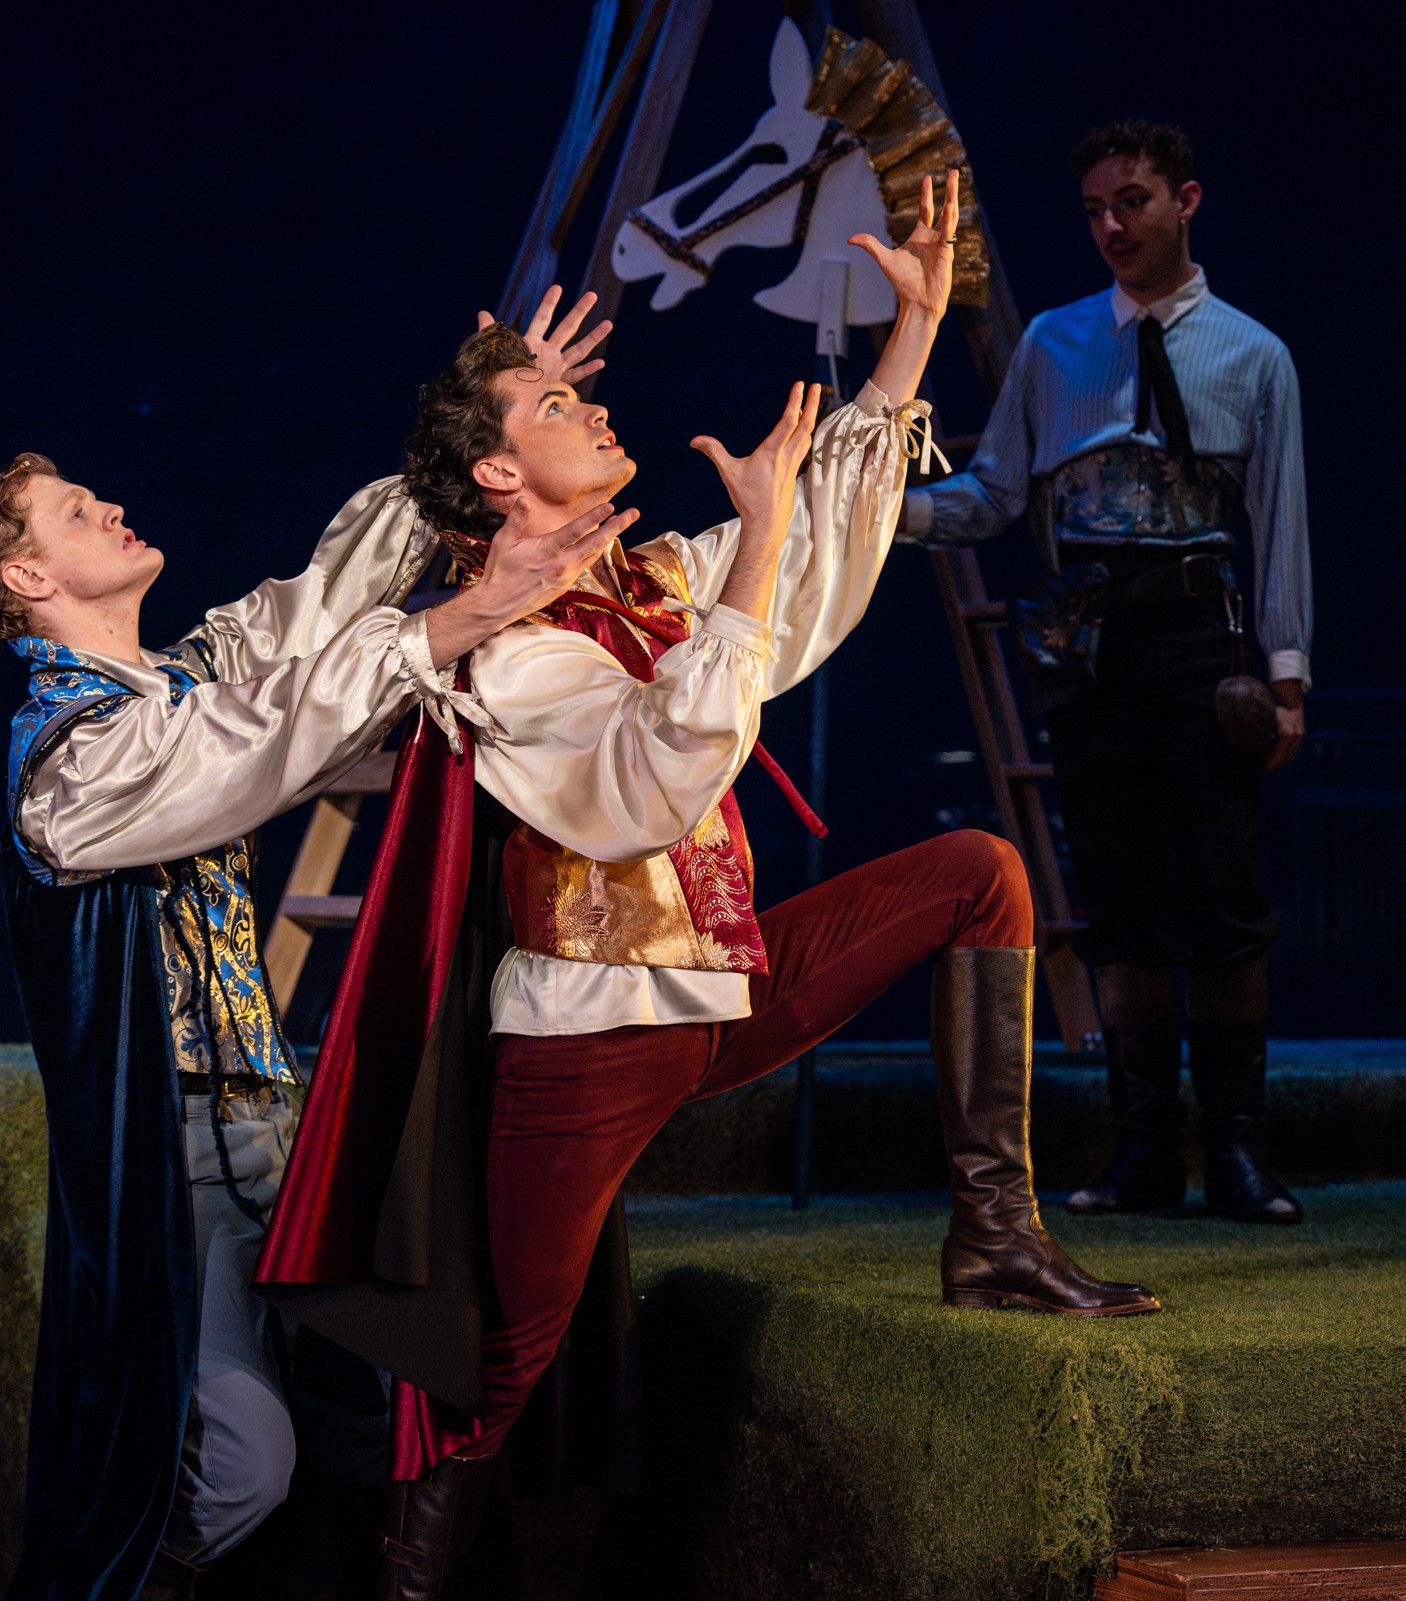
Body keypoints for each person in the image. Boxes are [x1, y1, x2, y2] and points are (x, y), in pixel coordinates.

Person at [255, 174, 1157, 1601]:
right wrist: (749, 567)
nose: (596, 412)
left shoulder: (653, 578)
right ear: (498, 478)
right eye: (557, 409)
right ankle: (408, 1576)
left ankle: (995, 1235)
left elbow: (813, 555)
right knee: (499, 1362)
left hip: (720, 993)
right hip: (591, 1038)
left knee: (981, 874)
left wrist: (911, 338)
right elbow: (652, 779)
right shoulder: (501, 652)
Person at [0, 298, 629, 1601]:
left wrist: (487, 414)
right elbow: (246, 743)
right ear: (29, 579)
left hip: (280, 1139)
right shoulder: (68, 767)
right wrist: (455, 621)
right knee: (239, 1468)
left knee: (381, 1426)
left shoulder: (185, 674)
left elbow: (318, 605)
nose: (110, 507)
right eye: (75, 511)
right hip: (179, 1176)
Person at [904, 121, 1312, 1226]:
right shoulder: (1054, 343)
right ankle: (1144, 1152)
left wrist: (1287, 675)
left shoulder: (1253, 353)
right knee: (1118, 896)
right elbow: (994, 493)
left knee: (1220, 893)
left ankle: (1238, 1148)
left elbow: (1279, 524)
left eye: (1132, 202)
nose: (1113, 226)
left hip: (1200, 638)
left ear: (1186, 200)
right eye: (1094, 210)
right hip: (1087, 646)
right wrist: (878, 513)